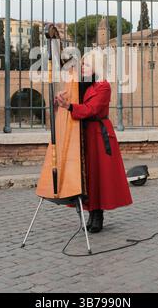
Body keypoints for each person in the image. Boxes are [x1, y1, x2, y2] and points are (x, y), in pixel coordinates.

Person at [55, 49, 133, 233]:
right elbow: (70, 100)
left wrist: (70, 106)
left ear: (96, 67)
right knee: (87, 175)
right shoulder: (79, 85)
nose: (82, 67)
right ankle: (90, 212)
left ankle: (98, 215)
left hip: (98, 135)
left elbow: (91, 109)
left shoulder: (103, 86)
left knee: (98, 175)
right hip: (82, 134)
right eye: (82, 63)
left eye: (87, 64)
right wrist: (60, 98)